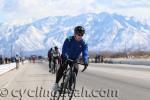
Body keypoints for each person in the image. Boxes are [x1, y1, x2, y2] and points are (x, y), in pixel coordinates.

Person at [52, 26, 89, 91]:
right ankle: (56, 84)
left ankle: (69, 86)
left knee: (76, 69)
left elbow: (85, 53)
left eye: (82, 35)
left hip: (74, 59)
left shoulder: (84, 43)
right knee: (63, 67)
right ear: (75, 34)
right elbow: (64, 49)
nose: (80, 36)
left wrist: (85, 61)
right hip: (65, 57)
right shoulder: (68, 39)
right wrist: (66, 56)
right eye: (79, 34)